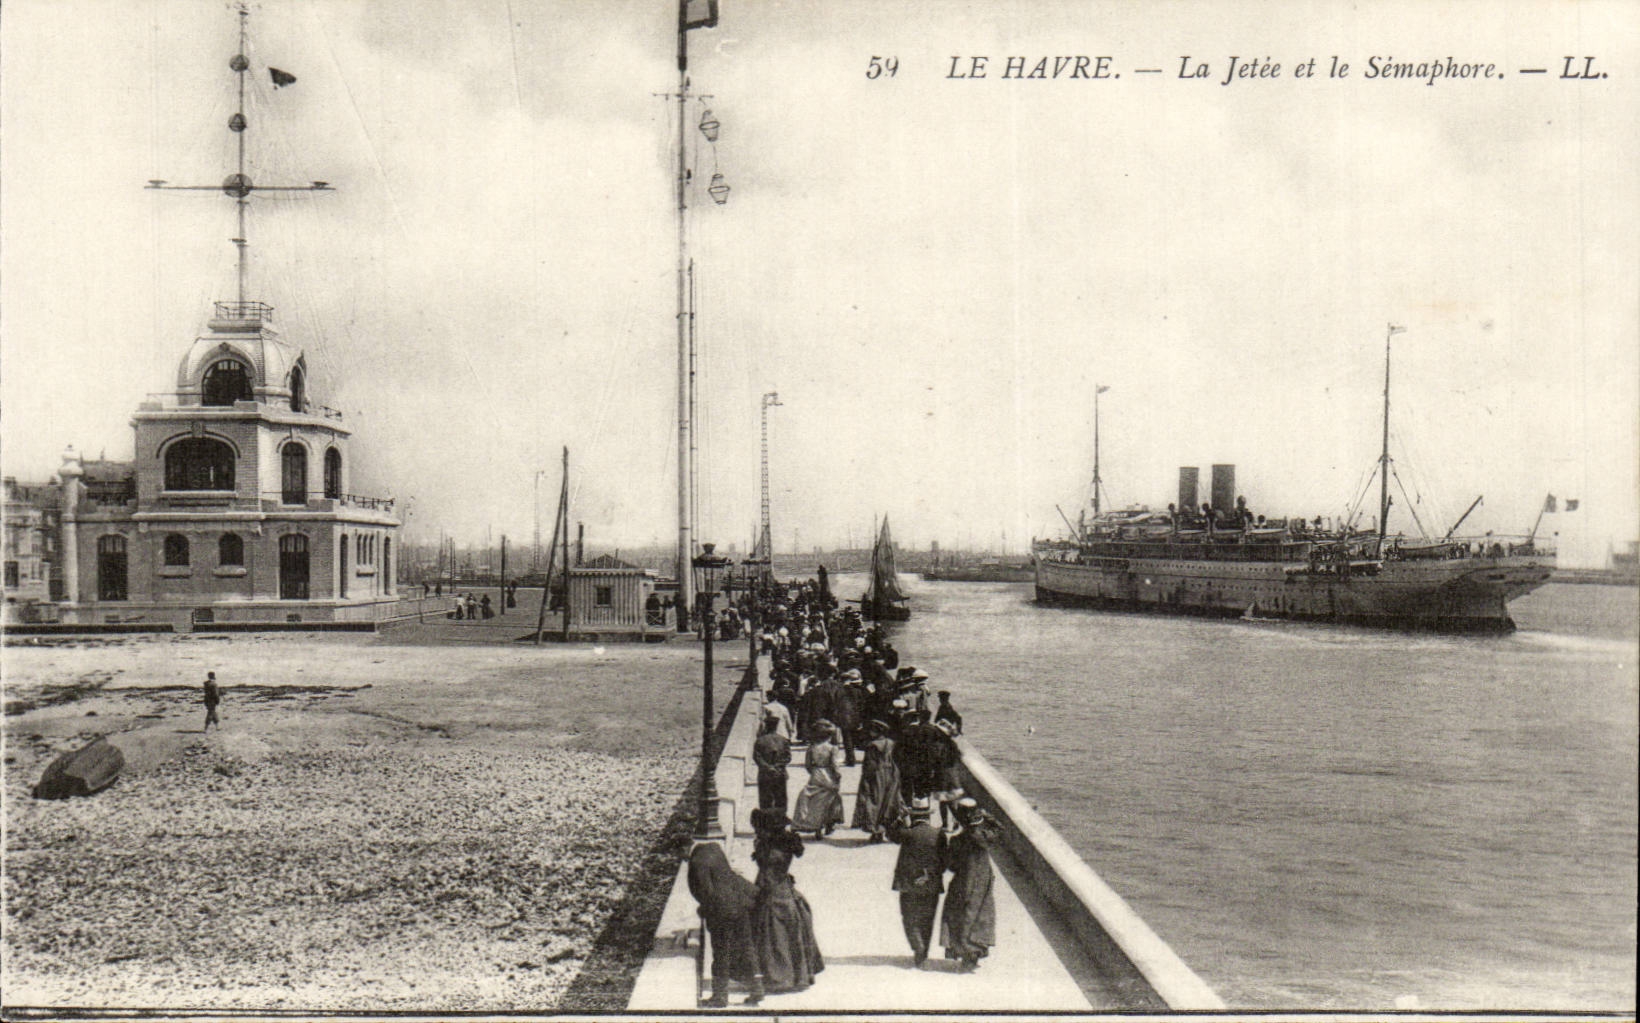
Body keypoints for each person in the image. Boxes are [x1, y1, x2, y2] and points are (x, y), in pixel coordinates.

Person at [748, 811, 824, 993]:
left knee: (773, 935)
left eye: (760, 829)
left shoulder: (769, 849)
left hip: (772, 891)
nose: (757, 832)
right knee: (790, 932)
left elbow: (767, 874)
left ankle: (778, 978)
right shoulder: (784, 845)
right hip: (784, 887)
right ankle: (797, 976)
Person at [688, 842, 764, 1007]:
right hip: (740, 904)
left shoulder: (696, 863)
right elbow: (725, 877)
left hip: (722, 911)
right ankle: (757, 989)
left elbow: (707, 893)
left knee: (721, 953)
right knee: (747, 947)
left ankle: (720, 997)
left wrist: (703, 910)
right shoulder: (715, 849)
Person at [940, 798, 1001, 971]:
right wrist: (986, 817)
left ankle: (963, 952)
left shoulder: (957, 841)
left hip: (963, 880)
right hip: (983, 880)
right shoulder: (984, 837)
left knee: (959, 914)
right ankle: (975, 952)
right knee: (980, 915)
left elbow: (951, 865)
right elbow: (999, 829)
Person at [889, 799, 945, 967]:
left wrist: (900, 818)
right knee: (928, 917)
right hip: (931, 883)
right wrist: (929, 875)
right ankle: (923, 952)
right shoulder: (938, 834)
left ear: (912, 817)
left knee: (909, 916)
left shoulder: (907, 833)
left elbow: (891, 834)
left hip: (908, 883)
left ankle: (917, 946)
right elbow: (944, 861)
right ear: (928, 816)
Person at [851, 719, 903, 843]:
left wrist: (866, 779)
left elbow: (870, 765)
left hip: (877, 775)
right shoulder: (891, 743)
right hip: (891, 773)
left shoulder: (872, 746)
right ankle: (886, 828)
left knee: (874, 802)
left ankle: (876, 831)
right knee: (889, 801)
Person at [790, 721, 844, 837]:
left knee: (809, 796)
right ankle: (828, 823)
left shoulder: (812, 748)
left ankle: (802, 822)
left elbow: (808, 765)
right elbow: (834, 765)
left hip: (816, 774)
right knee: (831, 798)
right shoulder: (832, 748)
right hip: (828, 774)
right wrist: (837, 776)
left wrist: (815, 772)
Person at [752, 714, 792, 814]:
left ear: (766, 726)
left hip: (765, 774)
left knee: (765, 799)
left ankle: (766, 824)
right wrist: (777, 766)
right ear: (776, 726)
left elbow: (757, 757)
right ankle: (780, 823)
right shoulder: (783, 740)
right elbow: (788, 757)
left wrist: (768, 767)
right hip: (780, 773)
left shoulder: (760, 741)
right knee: (780, 799)